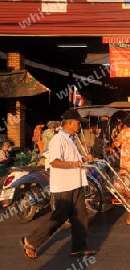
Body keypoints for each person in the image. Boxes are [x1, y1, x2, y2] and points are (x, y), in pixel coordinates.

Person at [21, 109, 95, 259]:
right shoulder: (58, 139)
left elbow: (73, 157)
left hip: (76, 183)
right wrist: (74, 163)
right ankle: (31, 241)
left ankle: (79, 247)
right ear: (69, 123)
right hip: (64, 185)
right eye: (78, 123)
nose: (79, 127)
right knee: (59, 217)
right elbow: (55, 162)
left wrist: (85, 158)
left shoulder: (71, 139)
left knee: (80, 217)